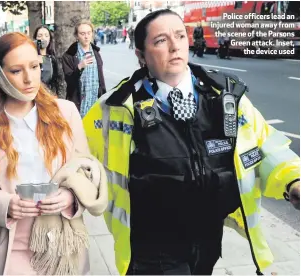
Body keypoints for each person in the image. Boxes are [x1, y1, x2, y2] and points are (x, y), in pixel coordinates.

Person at [82, 9, 300, 275]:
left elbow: (264, 146)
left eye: (180, 35)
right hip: (151, 248)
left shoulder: (225, 96)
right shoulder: (115, 108)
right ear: (140, 55)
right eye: (160, 40)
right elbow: (79, 159)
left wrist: (292, 181)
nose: (175, 46)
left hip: (207, 240)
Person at [0, 32, 107, 275]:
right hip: (10, 244)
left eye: (35, 66)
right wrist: (4, 205)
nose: (30, 79)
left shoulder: (66, 112)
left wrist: (71, 196)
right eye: (16, 71)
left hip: (62, 240)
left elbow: (86, 169)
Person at [62, 20, 107, 118]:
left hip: (95, 101)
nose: (86, 36)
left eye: (89, 33)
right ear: (76, 36)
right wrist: (79, 67)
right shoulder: (69, 55)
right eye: (82, 33)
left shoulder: (96, 52)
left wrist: (103, 95)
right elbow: (69, 81)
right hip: (79, 102)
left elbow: (101, 79)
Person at [33, 25, 59, 94]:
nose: (43, 38)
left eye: (46, 36)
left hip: (49, 96)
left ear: (50, 39)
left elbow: (56, 82)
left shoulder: (52, 59)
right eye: (40, 36)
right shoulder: (31, 57)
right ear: (35, 38)